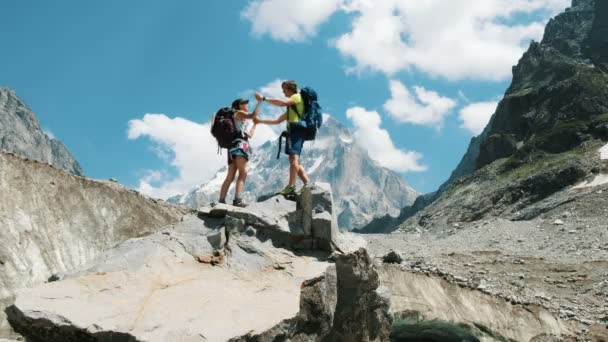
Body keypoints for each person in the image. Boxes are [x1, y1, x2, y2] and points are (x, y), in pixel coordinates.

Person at [254, 80, 310, 196]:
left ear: (289, 88)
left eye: (284, 89)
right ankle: (308, 184)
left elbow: (281, 103)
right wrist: (260, 121)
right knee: (293, 160)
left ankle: (291, 186)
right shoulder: (292, 107)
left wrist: (264, 98)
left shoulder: (296, 97)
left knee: (294, 158)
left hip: (297, 131)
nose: (283, 92)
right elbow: (277, 120)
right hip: (293, 132)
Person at [218, 97, 261, 207]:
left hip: (232, 148)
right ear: (239, 105)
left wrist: (255, 125)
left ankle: (221, 201)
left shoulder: (240, 120)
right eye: (244, 103)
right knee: (243, 173)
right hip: (240, 146)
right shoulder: (238, 113)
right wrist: (260, 102)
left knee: (230, 176)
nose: (247, 104)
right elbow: (252, 115)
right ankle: (237, 200)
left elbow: (249, 135)